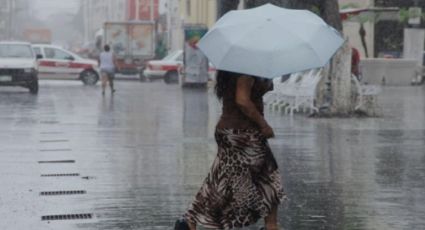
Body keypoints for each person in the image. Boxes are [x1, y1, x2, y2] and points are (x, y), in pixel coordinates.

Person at [174, 71, 286, 230]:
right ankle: (271, 225)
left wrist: (265, 81)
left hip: (232, 132)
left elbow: (249, 93)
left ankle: (188, 221)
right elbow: (242, 101)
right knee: (267, 176)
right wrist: (264, 125)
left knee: (222, 178)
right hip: (242, 134)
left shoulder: (234, 69)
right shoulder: (244, 71)